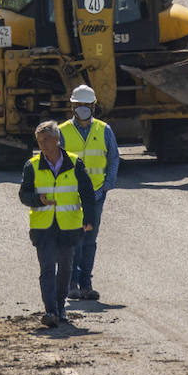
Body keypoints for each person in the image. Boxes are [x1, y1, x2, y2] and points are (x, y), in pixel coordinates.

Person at [19, 120, 96, 328]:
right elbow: (23, 195)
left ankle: (60, 307)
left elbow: (87, 195)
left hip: (69, 227)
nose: (42, 144)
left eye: (46, 140)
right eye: (39, 141)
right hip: (43, 228)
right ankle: (51, 311)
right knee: (46, 269)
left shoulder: (74, 163)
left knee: (65, 269)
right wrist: (38, 200)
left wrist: (89, 220)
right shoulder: (32, 165)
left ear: (56, 140)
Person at [60, 84, 119, 300]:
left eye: (86, 105)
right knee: (73, 239)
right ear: (72, 106)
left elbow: (113, 158)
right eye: (79, 105)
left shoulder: (104, 130)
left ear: (93, 106)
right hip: (71, 195)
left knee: (89, 240)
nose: (82, 108)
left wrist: (107, 185)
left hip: (95, 196)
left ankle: (86, 283)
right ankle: (71, 283)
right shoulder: (63, 131)